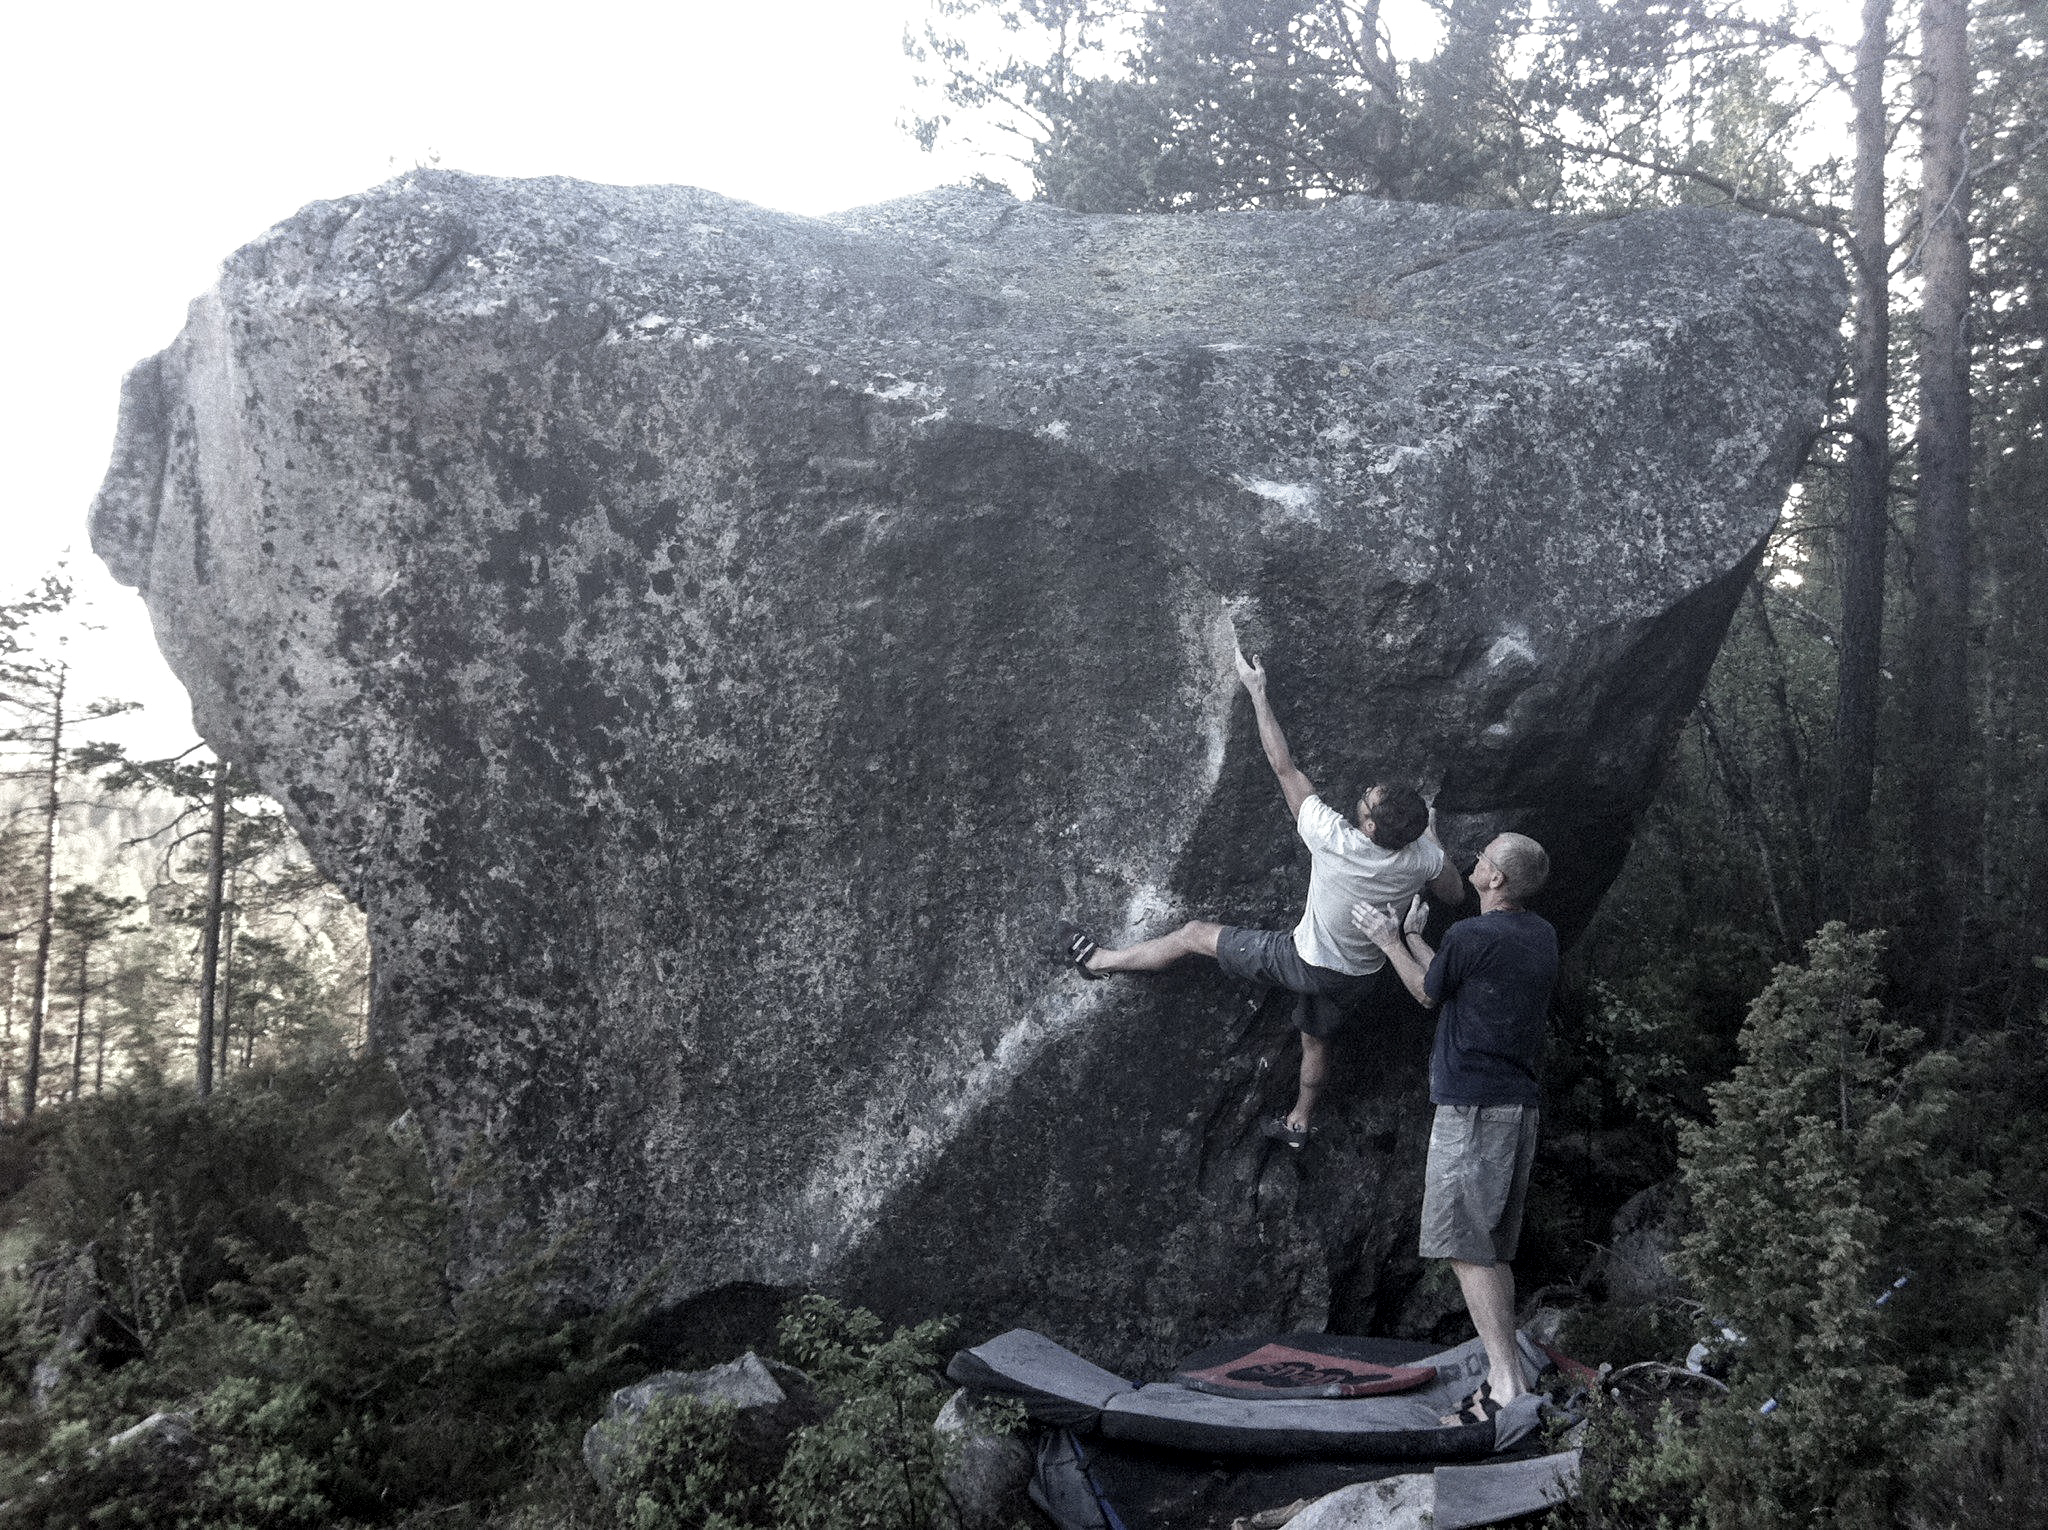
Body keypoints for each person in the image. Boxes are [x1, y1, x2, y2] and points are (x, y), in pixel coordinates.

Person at [1062, 648, 1463, 1147]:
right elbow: (1453, 891)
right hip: (1364, 971)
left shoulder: (1332, 839)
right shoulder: (1420, 858)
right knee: (1315, 1040)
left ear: (1367, 825)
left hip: (1306, 960)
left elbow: (1283, 767)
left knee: (1193, 936)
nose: (1361, 792)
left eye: (1366, 799)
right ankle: (1299, 1121)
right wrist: (1432, 847)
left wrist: (1257, 691)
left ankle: (1102, 959)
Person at [1353, 832, 1558, 1426]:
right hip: (1516, 1107)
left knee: (1466, 1249)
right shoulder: (1536, 934)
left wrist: (1389, 940)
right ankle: (1506, 1377)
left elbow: (1424, 992)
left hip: (1473, 1110)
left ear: (1495, 880)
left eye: (1485, 858)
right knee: (1487, 1247)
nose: (1475, 861)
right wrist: (1415, 936)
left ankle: (1505, 1386)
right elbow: (1450, 982)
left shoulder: (1471, 935)